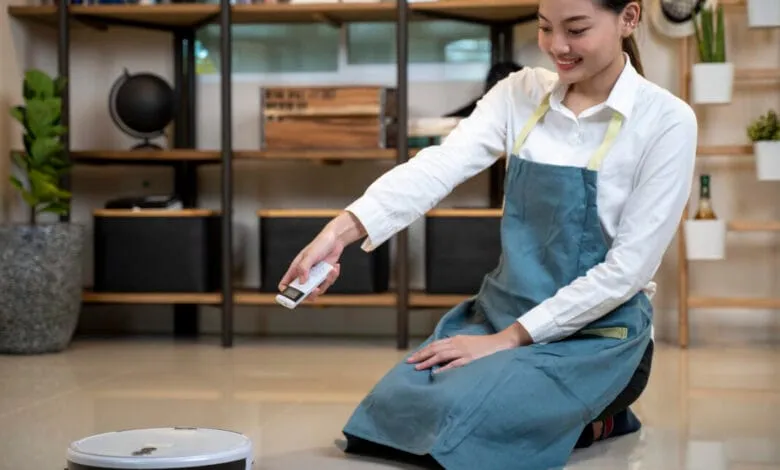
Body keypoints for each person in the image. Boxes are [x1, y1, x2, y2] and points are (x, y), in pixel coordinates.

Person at [278, 0, 697, 468]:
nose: (557, 46)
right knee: (391, 415)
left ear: (629, 18)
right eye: (545, 27)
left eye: (576, 30)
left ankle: (604, 416)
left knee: (472, 423)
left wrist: (508, 341)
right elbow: (438, 167)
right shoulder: (519, 92)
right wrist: (340, 231)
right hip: (502, 311)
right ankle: (560, 412)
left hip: (596, 334)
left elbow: (627, 271)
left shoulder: (667, 121)